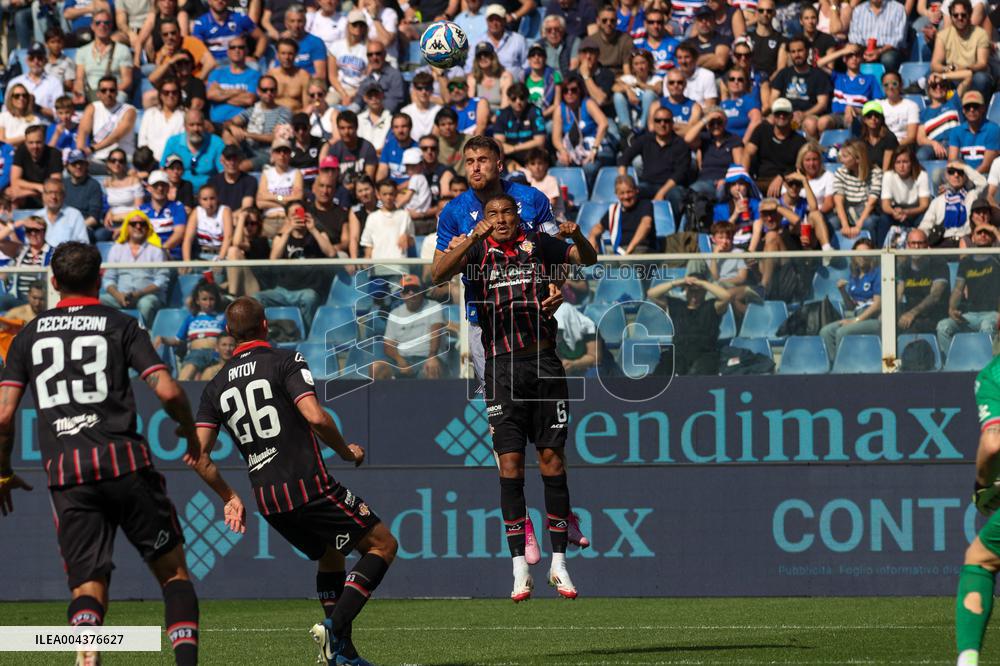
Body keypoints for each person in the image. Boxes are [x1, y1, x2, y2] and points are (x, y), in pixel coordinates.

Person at [0, 241, 201, 666]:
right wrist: (187, 429)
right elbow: (168, 389)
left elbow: (3, 417)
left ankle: (88, 650)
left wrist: (2, 471)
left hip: (68, 475)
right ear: (101, 279)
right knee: (173, 574)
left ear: (53, 283)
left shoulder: (27, 336)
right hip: (125, 464)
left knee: (87, 584)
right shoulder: (121, 324)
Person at [184, 295, 397, 666]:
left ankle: (341, 655)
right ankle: (335, 629)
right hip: (307, 485)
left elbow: (198, 456)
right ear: (265, 325)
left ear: (230, 335)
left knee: (331, 556)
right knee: (382, 545)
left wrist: (228, 496)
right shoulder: (286, 361)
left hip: (268, 501)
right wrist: (347, 452)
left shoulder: (214, 385)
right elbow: (315, 417)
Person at [433, 192, 596, 601]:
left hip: (544, 363)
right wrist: (471, 237)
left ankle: (559, 565)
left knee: (551, 459)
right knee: (509, 465)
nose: (501, 219)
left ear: (517, 215)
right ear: (485, 219)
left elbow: (587, 260)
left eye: (507, 212)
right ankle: (519, 568)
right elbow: (437, 274)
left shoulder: (538, 243)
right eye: (493, 214)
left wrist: (581, 240)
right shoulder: (476, 250)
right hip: (501, 367)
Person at [255, 201, 336, 327]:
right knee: (257, 298)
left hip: (308, 290)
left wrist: (313, 229)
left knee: (310, 298)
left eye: (300, 213)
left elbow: (331, 253)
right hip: (283, 290)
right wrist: (287, 232)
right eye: (293, 214)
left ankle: (308, 337)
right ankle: (274, 332)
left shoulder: (317, 234)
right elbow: (273, 259)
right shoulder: (281, 237)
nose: (298, 217)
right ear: (287, 218)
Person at [647, 269, 732, 375]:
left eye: (698, 291)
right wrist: (677, 282)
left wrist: (702, 283)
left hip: (705, 354)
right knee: (662, 371)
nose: (694, 295)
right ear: (686, 290)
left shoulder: (712, 307)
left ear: (705, 291)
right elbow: (651, 294)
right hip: (678, 353)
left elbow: (726, 296)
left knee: (699, 373)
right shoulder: (676, 305)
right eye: (691, 290)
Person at [937, 212, 1000, 354]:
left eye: (987, 233)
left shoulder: (997, 258)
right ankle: (952, 366)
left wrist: (995, 230)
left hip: (993, 314)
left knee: (987, 327)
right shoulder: (967, 262)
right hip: (970, 315)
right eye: (979, 233)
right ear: (973, 238)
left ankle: (985, 368)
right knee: (943, 326)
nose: (983, 235)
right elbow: (958, 289)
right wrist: (952, 309)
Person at [100, 210, 170, 326]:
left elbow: (161, 281)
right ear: (127, 227)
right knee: (97, 301)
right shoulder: (117, 249)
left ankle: (144, 334)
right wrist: (117, 295)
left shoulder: (156, 250)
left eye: (142, 224)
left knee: (146, 304)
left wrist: (138, 293)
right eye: (133, 224)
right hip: (121, 296)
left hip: (147, 296)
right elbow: (108, 279)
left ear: (147, 228)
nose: (138, 227)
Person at [372, 274, 447, 379]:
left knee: (431, 368)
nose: (411, 293)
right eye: (406, 290)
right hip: (402, 358)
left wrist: (432, 356)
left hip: (427, 357)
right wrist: (399, 360)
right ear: (402, 294)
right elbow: (388, 345)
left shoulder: (434, 306)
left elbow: (436, 332)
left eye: (415, 289)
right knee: (377, 368)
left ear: (421, 291)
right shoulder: (394, 313)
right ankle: (381, 396)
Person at [819, 236, 882, 359]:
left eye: (866, 253)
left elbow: (877, 305)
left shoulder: (878, 272)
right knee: (825, 332)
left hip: (873, 319)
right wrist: (843, 291)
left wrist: (856, 320)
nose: (862, 257)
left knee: (842, 332)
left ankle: (844, 368)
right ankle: (834, 364)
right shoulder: (854, 275)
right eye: (858, 253)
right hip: (856, 315)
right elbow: (851, 307)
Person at [155, 278, 228, 380]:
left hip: (216, 355)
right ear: (198, 301)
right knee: (187, 373)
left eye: (212, 299)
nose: (208, 303)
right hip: (195, 353)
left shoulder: (222, 317)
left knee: (212, 376)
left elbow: (228, 338)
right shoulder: (191, 318)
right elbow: (177, 340)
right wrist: (163, 339)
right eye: (204, 299)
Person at [553, 75, 612, 186]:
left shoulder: (588, 103)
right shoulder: (560, 109)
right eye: (566, 90)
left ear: (580, 90)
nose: (569, 93)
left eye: (573, 90)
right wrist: (563, 151)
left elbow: (603, 123)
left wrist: (594, 149)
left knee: (589, 167)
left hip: (592, 147)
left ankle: (590, 195)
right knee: (560, 164)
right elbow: (556, 138)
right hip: (572, 149)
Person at [224, 75, 292, 170]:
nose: (269, 93)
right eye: (265, 90)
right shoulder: (252, 110)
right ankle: (230, 159)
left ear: (276, 91)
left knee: (241, 167)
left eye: (272, 90)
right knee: (227, 132)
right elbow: (229, 122)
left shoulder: (284, 111)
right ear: (258, 91)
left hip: (269, 153)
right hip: (248, 149)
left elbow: (275, 137)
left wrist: (247, 134)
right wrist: (232, 127)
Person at [769, 36, 831, 139]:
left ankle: (812, 152)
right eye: (793, 52)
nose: (796, 55)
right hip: (784, 113)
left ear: (807, 51)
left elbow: (822, 104)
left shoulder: (819, 75)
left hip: (809, 115)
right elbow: (773, 99)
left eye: (800, 51)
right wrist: (784, 114)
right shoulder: (783, 74)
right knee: (768, 122)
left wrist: (804, 114)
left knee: (810, 124)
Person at [744, 97, 807, 196]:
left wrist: (782, 177)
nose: (781, 116)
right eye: (778, 113)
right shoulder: (762, 130)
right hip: (760, 180)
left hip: (786, 183)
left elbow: (801, 167)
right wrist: (745, 178)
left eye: (785, 113)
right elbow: (748, 153)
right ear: (773, 115)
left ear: (791, 116)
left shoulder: (799, 141)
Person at [932, 0, 992, 97]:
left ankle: (977, 108)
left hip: (973, 73)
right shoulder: (943, 36)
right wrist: (947, 69)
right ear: (951, 17)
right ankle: (944, 110)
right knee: (932, 78)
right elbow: (935, 64)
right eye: (956, 15)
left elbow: (982, 63)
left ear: (969, 15)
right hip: (952, 74)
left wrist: (964, 68)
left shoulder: (980, 34)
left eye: (963, 15)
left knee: (981, 79)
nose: (960, 18)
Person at [919, 161, 987, 247]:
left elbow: (983, 183)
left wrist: (964, 167)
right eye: (951, 172)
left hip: (966, 241)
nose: (956, 175)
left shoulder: (972, 196)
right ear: (946, 176)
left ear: (966, 176)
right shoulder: (938, 201)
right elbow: (925, 225)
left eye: (960, 172)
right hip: (943, 242)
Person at [896, 228, 950, 334]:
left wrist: (912, 313)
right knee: (885, 323)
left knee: (912, 328)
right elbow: (898, 293)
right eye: (913, 243)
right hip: (909, 314)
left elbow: (935, 296)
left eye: (920, 243)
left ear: (927, 245)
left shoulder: (939, 264)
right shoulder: (904, 266)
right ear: (907, 245)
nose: (916, 247)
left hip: (933, 315)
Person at [74, 10, 134, 104]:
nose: (102, 25)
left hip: (113, 92)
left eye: (106, 22)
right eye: (98, 23)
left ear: (111, 26)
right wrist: (79, 93)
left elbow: (127, 80)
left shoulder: (122, 50)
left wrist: (108, 92)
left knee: (120, 98)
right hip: (92, 93)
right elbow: (79, 79)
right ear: (92, 26)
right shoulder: (82, 51)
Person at [684, 106, 744, 198]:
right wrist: (706, 119)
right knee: (693, 191)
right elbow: (688, 139)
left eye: (719, 122)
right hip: (705, 181)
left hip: (725, 181)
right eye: (712, 123)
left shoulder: (733, 139)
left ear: (725, 123)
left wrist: (727, 180)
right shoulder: (705, 138)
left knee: (721, 192)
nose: (715, 126)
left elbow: (739, 166)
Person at [818, 45, 879, 134]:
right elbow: (820, 63)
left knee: (852, 120)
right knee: (822, 122)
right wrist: (843, 51)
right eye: (850, 55)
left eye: (857, 55)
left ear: (862, 58)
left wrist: (855, 109)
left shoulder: (870, 79)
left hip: (859, 116)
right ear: (844, 59)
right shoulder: (838, 77)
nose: (854, 58)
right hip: (837, 115)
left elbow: (877, 104)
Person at [161, 109, 227, 190]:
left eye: (199, 124)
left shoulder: (217, 143)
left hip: (209, 194)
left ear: (204, 125)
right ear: (185, 126)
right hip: (180, 192)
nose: (196, 129)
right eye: (191, 125)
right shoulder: (173, 142)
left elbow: (223, 172)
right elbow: (163, 170)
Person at [587, 174, 655, 254]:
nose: (626, 196)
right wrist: (592, 237)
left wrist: (630, 248)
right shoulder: (614, 210)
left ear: (636, 190)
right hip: (619, 252)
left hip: (640, 250)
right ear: (616, 194)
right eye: (622, 193)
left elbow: (646, 224)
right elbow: (599, 226)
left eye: (629, 192)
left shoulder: (645, 204)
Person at [834, 139, 885, 242]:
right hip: (848, 215)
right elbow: (838, 202)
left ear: (857, 159)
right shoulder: (841, 172)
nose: (841, 160)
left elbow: (871, 203)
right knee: (833, 222)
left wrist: (859, 225)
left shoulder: (876, 173)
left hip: (867, 215)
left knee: (869, 223)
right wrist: (845, 225)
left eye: (845, 156)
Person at [206, 36, 261, 125]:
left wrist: (221, 94)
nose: (237, 50)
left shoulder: (254, 75)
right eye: (233, 47)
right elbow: (211, 95)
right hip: (216, 123)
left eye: (241, 47)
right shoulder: (217, 73)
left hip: (241, 124)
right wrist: (236, 92)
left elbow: (249, 100)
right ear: (228, 52)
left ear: (246, 51)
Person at [493, 82, 547, 171]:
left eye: (522, 98)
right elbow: (499, 142)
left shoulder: (535, 112)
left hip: (532, 157)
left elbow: (540, 141)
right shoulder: (502, 114)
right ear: (509, 100)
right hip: (510, 158)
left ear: (527, 98)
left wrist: (514, 148)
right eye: (514, 98)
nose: (518, 102)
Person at [191, 0, 266, 63]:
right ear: (209, 1)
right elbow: (197, 50)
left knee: (255, 67)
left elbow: (262, 37)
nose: (220, 1)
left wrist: (256, 57)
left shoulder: (240, 18)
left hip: (240, 63)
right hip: (215, 65)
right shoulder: (201, 24)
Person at [881, 145, 932, 233]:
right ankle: (882, 246)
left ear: (911, 162)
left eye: (905, 162)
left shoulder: (922, 175)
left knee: (925, 218)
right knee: (883, 219)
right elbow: (885, 205)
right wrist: (894, 212)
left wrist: (907, 212)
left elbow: (924, 205)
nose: (901, 166)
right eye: (898, 162)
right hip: (897, 211)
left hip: (916, 211)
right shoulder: (888, 175)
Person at [9, 124, 62, 210]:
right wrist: (38, 187)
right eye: (31, 142)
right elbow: (15, 180)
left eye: (38, 142)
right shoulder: (21, 151)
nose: (35, 146)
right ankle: (14, 221)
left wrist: (40, 190)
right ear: (25, 142)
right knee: (11, 192)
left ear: (44, 141)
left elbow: (55, 184)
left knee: (53, 194)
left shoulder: (54, 154)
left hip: (47, 195)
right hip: (28, 194)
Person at [847, 0, 908, 72]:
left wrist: (880, 51)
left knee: (888, 59)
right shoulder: (858, 10)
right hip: (864, 49)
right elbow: (854, 36)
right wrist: (864, 52)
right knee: (850, 57)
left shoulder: (898, 9)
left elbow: (898, 38)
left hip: (889, 49)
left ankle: (889, 81)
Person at [950, 89, 1000, 175]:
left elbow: (987, 165)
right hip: (963, 176)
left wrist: (970, 178)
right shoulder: (956, 131)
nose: (971, 110)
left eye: (975, 106)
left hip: (986, 175)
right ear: (963, 110)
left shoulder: (993, 129)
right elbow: (952, 161)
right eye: (967, 107)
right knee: (938, 174)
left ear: (983, 109)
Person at [10, 42, 64, 120]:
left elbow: (60, 114)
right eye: (32, 58)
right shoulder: (14, 82)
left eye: (39, 58)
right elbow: (6, 110)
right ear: (27, 60)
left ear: (45, 60)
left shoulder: (54, 82)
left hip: (45, 126)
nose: (36, 61)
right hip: (19, 125)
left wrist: (37, 108)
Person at [327, 9, 371, 106]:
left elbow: (368, 76)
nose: (358, 27)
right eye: (355, 24)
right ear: (348, 25)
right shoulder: (336, 46)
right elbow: (332, 76)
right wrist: (344, 95)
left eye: (361, 25)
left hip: (359, 91)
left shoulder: (369, 48)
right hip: (339, 89)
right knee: (328, 103)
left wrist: (355, 94)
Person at [143, 169, 188, 259]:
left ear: (168, 187)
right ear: (149, 188)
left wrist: (161, 250)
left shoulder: (177, 207)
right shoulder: (141, 210)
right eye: (156, 185)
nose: (160, 188)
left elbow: (179, 233)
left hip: (171, 255)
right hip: (147, 256)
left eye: (163, 185)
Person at [321, 109, 379, 179]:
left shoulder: (367, 148)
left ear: (356, 127)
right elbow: (330, 178)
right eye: (342, 128)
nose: (346, 132)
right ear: (338, 129)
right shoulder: (334, 149)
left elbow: (369, 178)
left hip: (361, 188)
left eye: (350, 128)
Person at [139, 78, 187, 161]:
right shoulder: (150, 114)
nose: (170, 95)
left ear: (179, 94)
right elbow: (142, 141)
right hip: (150, 163)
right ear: (160, 95)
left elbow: (184, 144)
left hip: (175, 164)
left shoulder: (185, 116)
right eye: (166, 93)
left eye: (174, 92)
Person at [353, 39, 405, 114]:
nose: (374, 58)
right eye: (370, 55)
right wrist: (350, 112)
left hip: (388, 117)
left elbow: (394, 102)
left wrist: (372, 114)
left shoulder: (395, 75)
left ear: (384, 54)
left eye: (378, 54)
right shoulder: (367, 77)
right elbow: (359, 99)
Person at [63, 149, 106, 240]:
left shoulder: (94, 185)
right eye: (74, 164)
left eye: (81, 163)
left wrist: (77, 228)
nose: (78, 166)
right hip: (65, 225)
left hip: (86, 226)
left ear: (86, 165)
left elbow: (94, 218)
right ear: (68, 166)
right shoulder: (63, 185)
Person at [185, 183, 234, 262]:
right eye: (205, 199)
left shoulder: (225, 211)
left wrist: (220, 259)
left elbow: (228, 237)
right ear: (199, 200)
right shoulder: (197, 212)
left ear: (217, 198)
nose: (209, 203)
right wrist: (186, 261)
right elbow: (188, 239)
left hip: (221, 255)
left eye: (212, 198)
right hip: (201, 255)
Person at [35, 178, 89, 247]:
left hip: (67, 256)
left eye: (57, 193)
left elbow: (83, 244)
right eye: (50, 192)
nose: (53, 197)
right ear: (43, 195)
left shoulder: (75, 215)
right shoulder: (37, 216)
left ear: (63, 195)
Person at [282, 4, 328, 79]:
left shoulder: (316, 43)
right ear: (286, 23)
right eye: (292, 21)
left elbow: (320, 75)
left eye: (299, 21)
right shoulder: (283, 43)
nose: (296, 25)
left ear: (305, 22)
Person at [209, 144, 258, 213]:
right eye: (228, 159)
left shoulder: (250, 181)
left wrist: (228, 219)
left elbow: (246, 208)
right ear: (221, 160)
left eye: (235, 159)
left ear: (240, 160)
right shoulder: (213, 181)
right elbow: (210, 206)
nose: (232, 163)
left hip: (240, 220)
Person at [467, 42, 514, 113]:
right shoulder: (472, 78)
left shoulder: (505, 77)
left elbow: (505, 105)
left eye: (486, 54)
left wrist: (496, 118)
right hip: (479, 116)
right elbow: (470, 105)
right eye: (479, 55)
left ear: (493, 57)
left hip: (499, 117)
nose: (482, 57)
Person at [878, 71, 920, 146]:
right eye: (886, 85)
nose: (890, 87)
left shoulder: (911, 106)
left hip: (904, 146)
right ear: (883, 87)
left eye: (894, 84)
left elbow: (911, 137)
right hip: (883, 146)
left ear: (901, 85)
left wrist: (893, 148)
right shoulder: (878, 105)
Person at [269, 38, 311, 112]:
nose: (287, 57)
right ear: (277, 55)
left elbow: (307, 106)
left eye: (290, 54)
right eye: (283, 53)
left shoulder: (304, 76)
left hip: (296, 118)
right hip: (274, 118)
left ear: (295, 55)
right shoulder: (271, 75)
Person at [859, 101, 899, 172]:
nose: (873, 118)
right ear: (864, 119)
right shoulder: (862, 139)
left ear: (881, 118)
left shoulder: (889, 138)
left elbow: (886, 169)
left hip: (886, 177)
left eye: (877, 115)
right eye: (869, 115)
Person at [376, 113, 416, 183]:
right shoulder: (388, 146)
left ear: (410, 127)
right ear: (392, 130)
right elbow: (382, 172)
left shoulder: (417, 149)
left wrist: (397, 190)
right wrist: (379, 189)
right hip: (390, 191)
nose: (400, 130)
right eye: (396, 127)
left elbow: (417, 179)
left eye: (404, 126)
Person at [356, 83, 392, 153]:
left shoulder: (391, 120)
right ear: (365, 98)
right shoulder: (358, 119)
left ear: (382, 96)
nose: (374, 98)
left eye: (376, 95)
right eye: (370, 96)